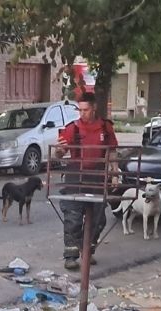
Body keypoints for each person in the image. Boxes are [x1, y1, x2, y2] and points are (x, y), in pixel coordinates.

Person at [55, 91, 118, 270]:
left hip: (98, 176)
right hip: (75, 175)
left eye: (85, 110)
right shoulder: (72, 128)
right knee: (73, 217)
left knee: (98, 219)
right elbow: (59, 151)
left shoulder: (106, 128)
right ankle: (71, 256)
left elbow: (112, 151)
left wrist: (114, 173)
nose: (82, 114)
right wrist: (59, 151)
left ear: (94, 108)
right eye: (79, 110)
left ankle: (87, 250)